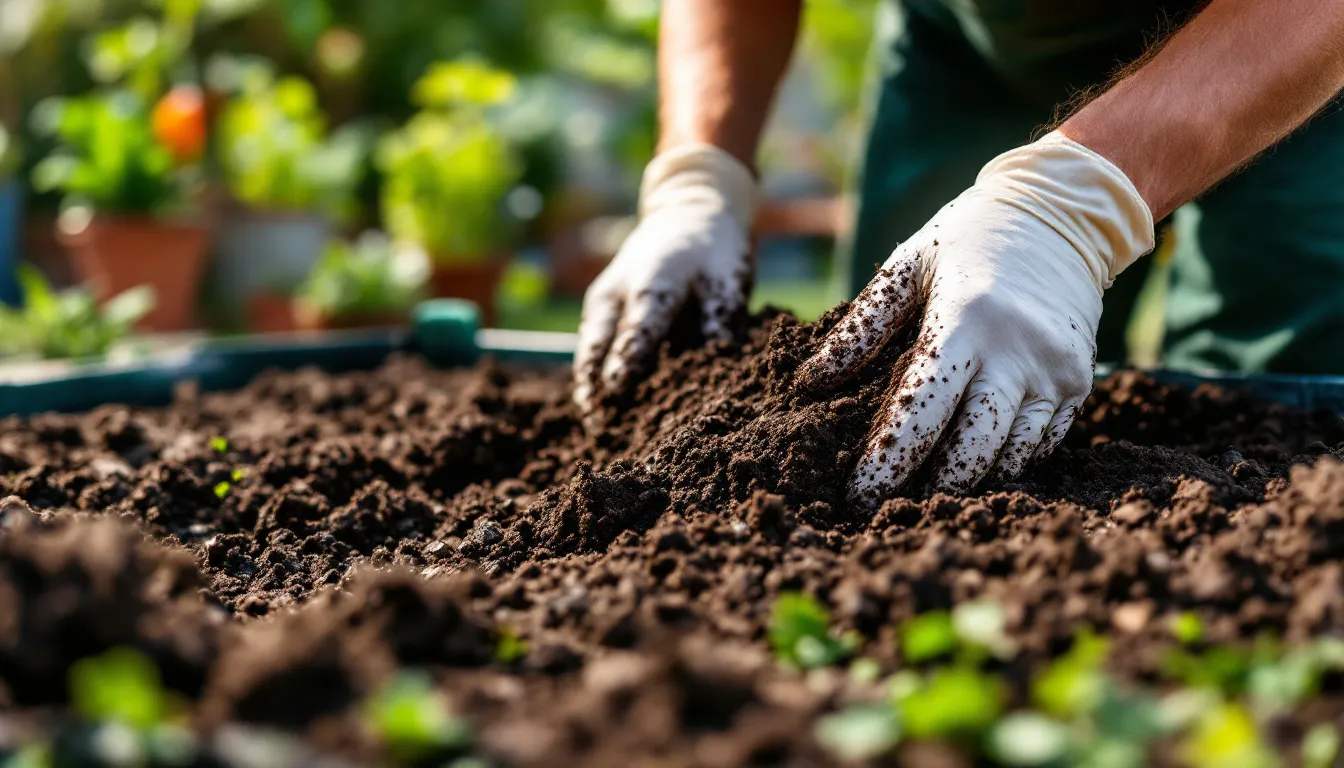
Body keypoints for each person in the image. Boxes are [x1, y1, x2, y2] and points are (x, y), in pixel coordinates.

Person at [572, 0, 1344, 508]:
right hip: (981, 39)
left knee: (1269, 423)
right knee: (900, 379)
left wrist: (1071, 207)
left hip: (1297, 47)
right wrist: (699, 175)